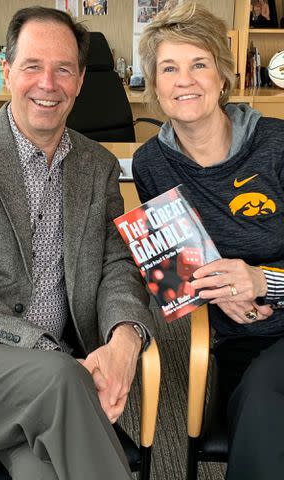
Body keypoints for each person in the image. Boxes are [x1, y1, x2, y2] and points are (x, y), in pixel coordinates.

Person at [0, 6, 153, 480]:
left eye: (63, 68)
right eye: (32, 66)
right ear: (7, 71)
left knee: (43, 471)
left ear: (81, 80)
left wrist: (126, 338)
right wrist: (51, 354)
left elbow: (117, 265)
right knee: (64, 380)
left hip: (51, 388)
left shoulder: (98, 165)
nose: (48, 83)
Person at [133, 1, 284, 479]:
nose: (185, 80)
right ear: (154, 85)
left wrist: (261, 280)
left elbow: (259, 281)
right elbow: (176, 271)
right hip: (244, 343)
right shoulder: (151, 165)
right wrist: (217, 292)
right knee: (263, 402)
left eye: (199, 64)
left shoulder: (277, 146)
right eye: (169, 68)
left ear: (222, 74)